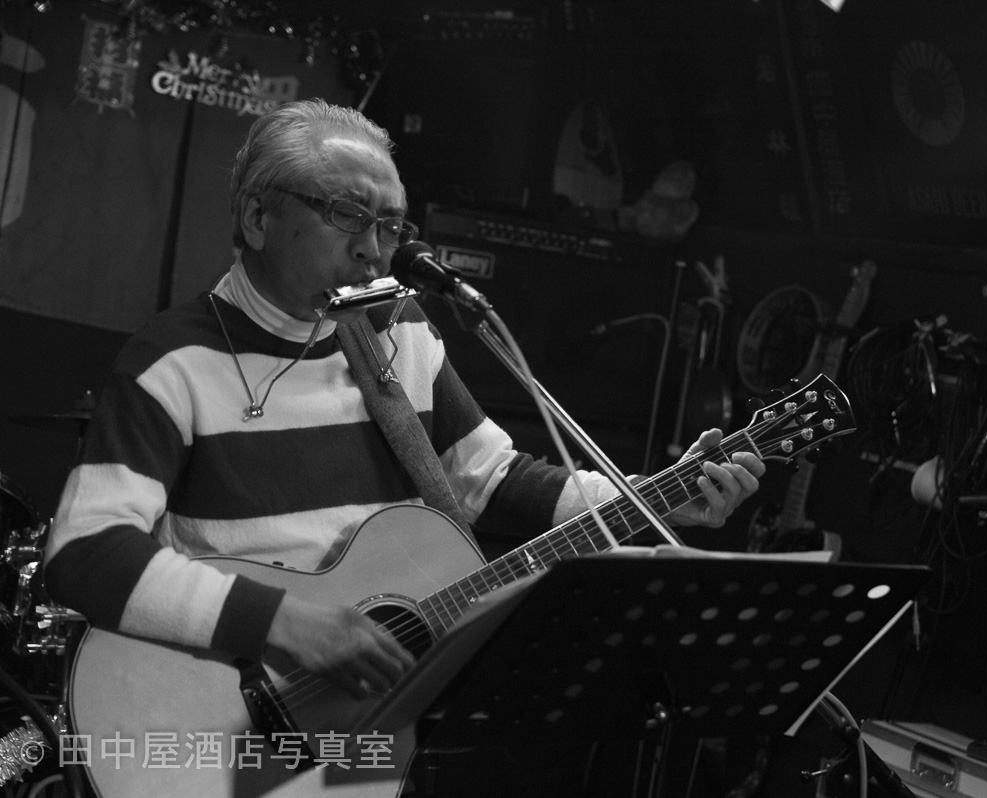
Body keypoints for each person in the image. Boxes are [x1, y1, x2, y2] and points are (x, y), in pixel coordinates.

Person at [44, 99, 764, 712]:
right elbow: (83, 554)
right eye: (348, 215)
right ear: (258, 216)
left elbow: (490, 479)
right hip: (224, 703)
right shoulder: (172, 362)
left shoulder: (397, 332)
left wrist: (654, 498)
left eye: (390, 225)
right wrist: (285, 623)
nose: (374, 250)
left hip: (374, 709)